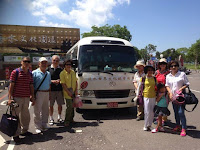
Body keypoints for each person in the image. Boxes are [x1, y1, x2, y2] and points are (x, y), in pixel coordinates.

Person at [8, 57, 35, 143]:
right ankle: (16, 134)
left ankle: (24, 131)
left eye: (28, 61)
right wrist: (9, 99)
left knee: (25, 116)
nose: (26, 63)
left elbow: (31, 86)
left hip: (26, 98)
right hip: (16, 98)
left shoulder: (30, 73)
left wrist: (32, 96)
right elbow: (11, 86)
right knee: (15, 116)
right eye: (25, 61)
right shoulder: (15, 72)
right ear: (21, 62)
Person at [166, 60, 189, 137]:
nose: (173, 67)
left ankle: (184, 128)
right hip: (173, 97)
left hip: (180, 97)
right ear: (169, 67)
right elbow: (167, 85)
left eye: (175, 65)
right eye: (172, 66)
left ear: (177, 66)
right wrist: (170, 93)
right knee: (176, 112)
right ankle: (178, 126)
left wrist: (181, 88)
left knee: (181, 112)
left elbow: (187, 84)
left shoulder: (182, 74)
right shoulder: (168, 76)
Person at [32, 57, 51, 133]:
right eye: (42, 62)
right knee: (37, 110)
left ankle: (44, 124)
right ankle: (38, 126)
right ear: (39, 64)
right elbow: (31, 85)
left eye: (45, 62)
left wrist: (49, 93)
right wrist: (32, 96)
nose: (44, 64)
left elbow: (49, 84)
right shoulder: (34, 73)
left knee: (45, 110)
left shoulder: (48, 73)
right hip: (38, 93)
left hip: (46, 93)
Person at [136, 65, 157, 131]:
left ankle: (150, 125)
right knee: (147, 111)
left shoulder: (154, 78)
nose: (150, 72)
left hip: (153, 96)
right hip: (146, 96)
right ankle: (145, 125)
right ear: (146, 71)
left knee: (152, 112)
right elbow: (139, 87)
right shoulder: (143, 78)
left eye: (151, 70)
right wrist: (137, 96)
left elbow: (157, 87)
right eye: (148, 70)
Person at [47, 55, 64, 126]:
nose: (55, 62)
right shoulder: (48, 70)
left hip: (59, 90)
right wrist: (53, 81)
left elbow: (64, 79)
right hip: (51, 90)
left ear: (59, 61)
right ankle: (51, 118)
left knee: (60, 104)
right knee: (51, 105)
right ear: (52, 61)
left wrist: (60, 80)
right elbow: (46, 80)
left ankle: (59, 117)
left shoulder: (61, 70)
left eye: (57, 60)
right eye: (54, 60)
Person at [60, 59, 78, 127]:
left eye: (70, 64)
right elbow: (63, 84)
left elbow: (76, 81)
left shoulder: (73, 72)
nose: (69, 66)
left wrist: (76, 90)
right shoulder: (62, 73)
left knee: (73, 106)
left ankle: (71, 119)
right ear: (64, 65)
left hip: (73, 91)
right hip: (67, 92)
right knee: (69, 106)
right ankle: (67, 120)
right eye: (67, 64)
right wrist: (68, 92)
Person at [155, 58, 170, 124]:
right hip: (157, 91)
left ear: (166, 65)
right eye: (161, 64)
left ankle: (164, 119)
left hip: (165, 91)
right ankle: (159, 119)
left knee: (164, 105)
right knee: (158, 105)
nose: (162, 65)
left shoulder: (168, 73)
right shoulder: (157, 72)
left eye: (164, 64)